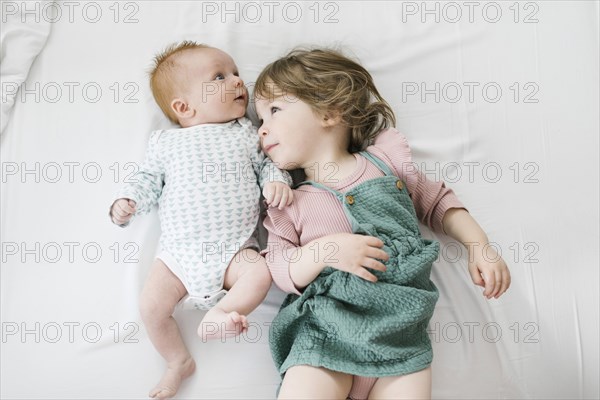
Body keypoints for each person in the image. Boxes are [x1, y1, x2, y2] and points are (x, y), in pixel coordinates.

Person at [255, 48, 511, 400]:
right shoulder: (288, 201)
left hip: (401, 339)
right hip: (325, 337)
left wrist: (479, 246)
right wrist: (324, 251)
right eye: (259, 120)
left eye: (274, 110)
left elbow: (437, 201)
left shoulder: (386, 163)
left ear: (329, 111)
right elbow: (280, 268)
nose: (262, 130)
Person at [109, 41, 293, 399]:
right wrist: (127, 200)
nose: (239, 81)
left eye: (237, 72)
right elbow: (147, 178)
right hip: (178, 255)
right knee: (150, 306)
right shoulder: (165, 143)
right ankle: (177, 360)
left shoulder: (247, 133)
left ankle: (224, 312)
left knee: (259, 272)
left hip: (234, 247)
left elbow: (269, 164)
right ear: (183, 107)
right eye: (220, 76)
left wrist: (276, 181)